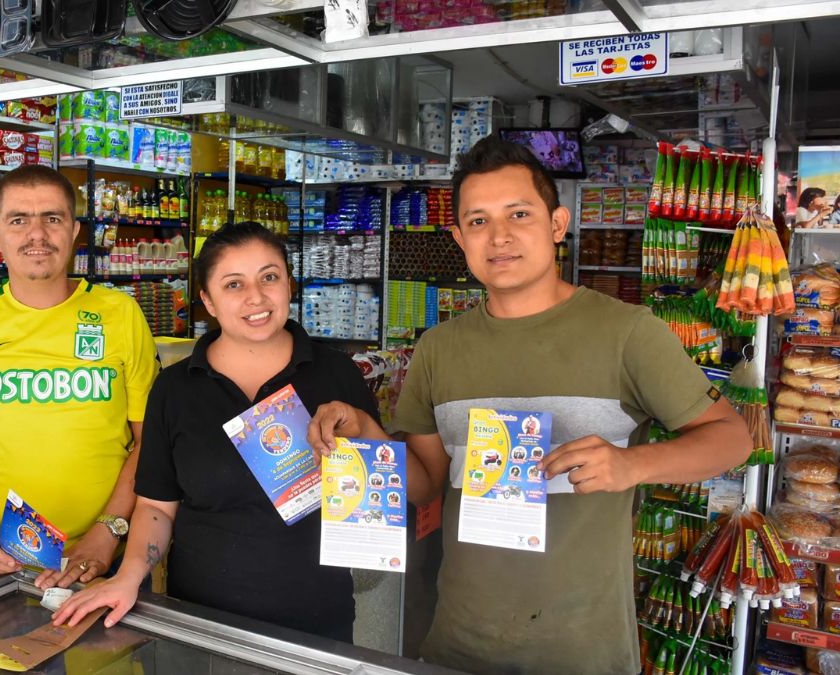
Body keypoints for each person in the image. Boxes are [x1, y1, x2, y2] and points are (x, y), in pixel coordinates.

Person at [309, 137, 752, 673]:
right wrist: (366, 436)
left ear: (557, 224)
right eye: (478, 221)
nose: (500, 236)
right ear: (459, 238)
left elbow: (732, 438)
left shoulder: (628, 333)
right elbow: (426, 480)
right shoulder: (438, 348)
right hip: (459, 643)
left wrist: (633, 464)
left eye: (519, 214)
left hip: (581, 650)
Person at [52, 222, 379, 643]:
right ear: (207, 300)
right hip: (201, 624)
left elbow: (381, 486)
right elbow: (156, 506)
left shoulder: (335, 374)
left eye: (269, 277)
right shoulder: (176, 388)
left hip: (316, 624)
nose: (256, 297)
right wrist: (128, 577)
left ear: (289, 284)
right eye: (233, 285)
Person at [0, 165, 159, 588]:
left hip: (103, 558)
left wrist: (108, 532)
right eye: (18, 220)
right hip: (3, 559)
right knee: (0, 651)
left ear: (73, 231)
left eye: (52, 218)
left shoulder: (121, 315)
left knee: (108, 656)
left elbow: (151, 440)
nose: (37, 234)